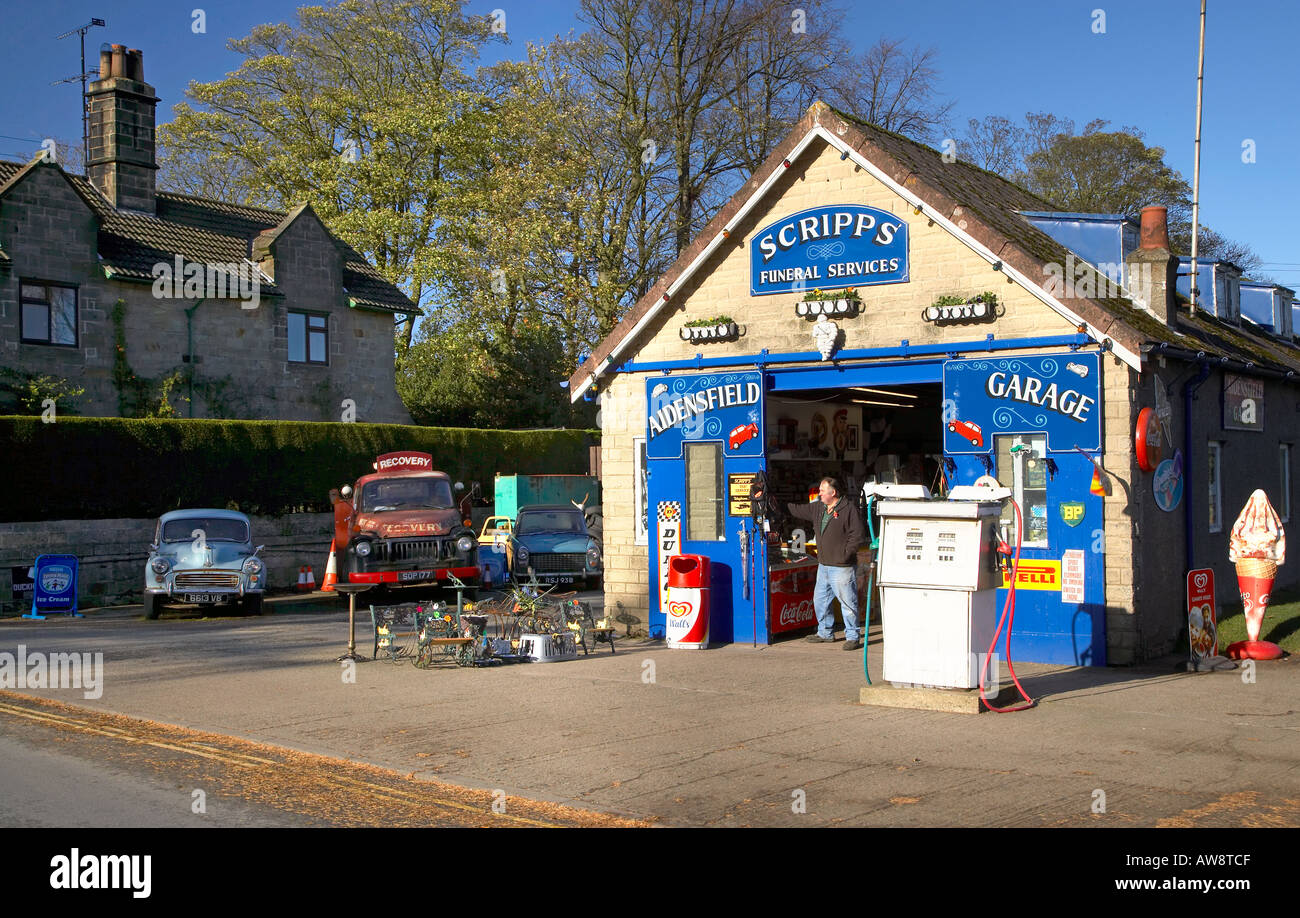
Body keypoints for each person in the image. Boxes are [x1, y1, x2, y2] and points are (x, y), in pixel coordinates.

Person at [787, 476, 867, 649]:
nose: (820, 493)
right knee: (820, 601)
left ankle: (853, 636)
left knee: (848, 603)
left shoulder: (848, 509)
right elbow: (798, 510)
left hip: (842, 566)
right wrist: (775, 502)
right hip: (824, 565)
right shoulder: (818, 507)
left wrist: (846, 554)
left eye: (823, 491)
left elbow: (857, 534)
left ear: (834, 492)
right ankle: (825, 632)